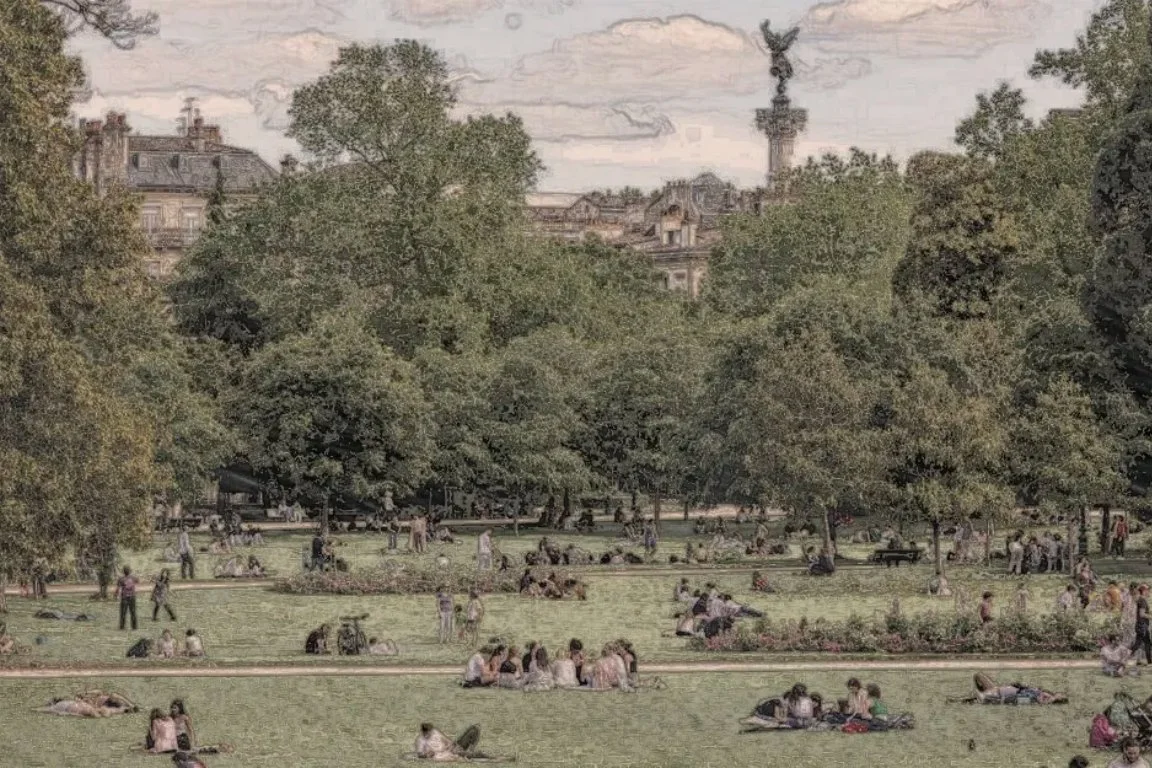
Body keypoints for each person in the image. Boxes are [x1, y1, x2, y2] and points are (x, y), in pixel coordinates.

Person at [414, 723, 486, 761]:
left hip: (454, 748)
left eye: (430, 731)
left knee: (474, 729)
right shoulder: (420, 741)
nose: (430, 733)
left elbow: (447, 740)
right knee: (467, 754)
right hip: (447, 754)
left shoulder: (434, 732)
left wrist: (452, 745)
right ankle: (473, 754)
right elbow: (420, 755)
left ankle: (471, 751)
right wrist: (429, 754)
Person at [1132, 584, 1152, 666]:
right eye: (1148, 590)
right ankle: (1124, 657)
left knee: (1145, 643)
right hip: (1142, 625)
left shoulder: (1141, 600)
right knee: (1138, 644)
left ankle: (1149, 661)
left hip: (1142, 625)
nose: (1149, 592)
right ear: (1144, 591)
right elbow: (1142, 614)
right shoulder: (1142, 601)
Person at [116, 566, 139, 631]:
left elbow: (118, 588)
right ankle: (134, 627)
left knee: (123, 612)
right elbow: (138, 581)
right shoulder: (133, 577)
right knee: (133, 612)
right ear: (130, 571)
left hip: (124, 597)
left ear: (123, 571)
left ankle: (122, 626)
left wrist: (116, 594)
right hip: (132, 596)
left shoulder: (121, 579)